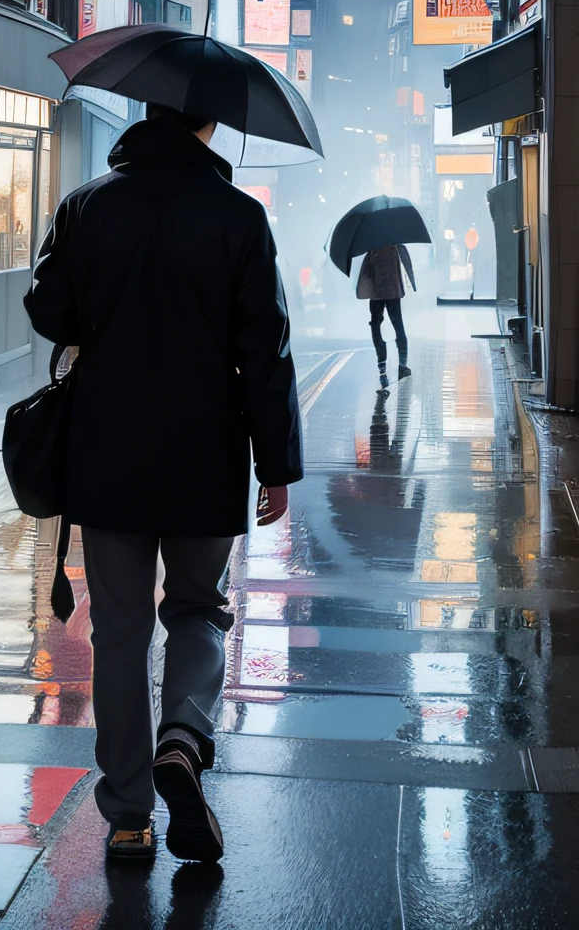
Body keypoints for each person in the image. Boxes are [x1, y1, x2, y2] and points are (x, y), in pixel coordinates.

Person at [24, 102, 303, 868]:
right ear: (207, 125)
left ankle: (127, 816)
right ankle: (182, 735)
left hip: (106, 446)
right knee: (198, 609)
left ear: (144, 112)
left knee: (118, 632)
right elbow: (266, 351)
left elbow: (49, 311)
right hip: (207, 446)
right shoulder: (240, 215)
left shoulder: (87, 204)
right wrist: (276, 465)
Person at [357, 240, 415, 389]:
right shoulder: (397, 246)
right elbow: (406, 267)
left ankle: (381, 363)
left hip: (376, 293)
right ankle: (402, 365)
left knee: (375, 324)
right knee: (398, 325)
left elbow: (365, 273)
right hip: (393, 292)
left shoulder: (372, 248)